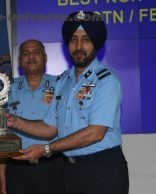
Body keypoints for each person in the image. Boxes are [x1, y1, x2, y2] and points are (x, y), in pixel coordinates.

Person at [8, 11, 129, 194]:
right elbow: (50, 127)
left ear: (95, 43)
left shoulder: (106, 80)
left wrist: (47, 148)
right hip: (70, 171)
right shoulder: (63, 81)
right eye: (73, 39)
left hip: (101, 169)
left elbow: (95, 133)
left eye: (86, 39)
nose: (79, 46)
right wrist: (13, 121)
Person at [0, 39, 65, 194]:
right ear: (20, 60)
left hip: (54, 166)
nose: (31, 57)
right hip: (17, 167)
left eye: (36, 52)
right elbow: (1, 135)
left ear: (45, 57)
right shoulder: (7, 89)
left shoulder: (61, 85)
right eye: (26, 53)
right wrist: (2, 175)